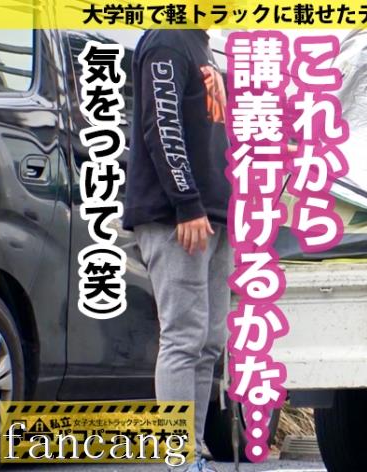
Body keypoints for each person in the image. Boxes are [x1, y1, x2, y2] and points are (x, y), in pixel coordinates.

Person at [123, 28, 230, 471]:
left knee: (208, 342)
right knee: (184, 338)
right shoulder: (168, 39)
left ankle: (193, 452)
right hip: (177, 216)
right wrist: (185, 202)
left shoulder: (201, 43)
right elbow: (161, 124)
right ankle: (180, 459)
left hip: (212, 215)